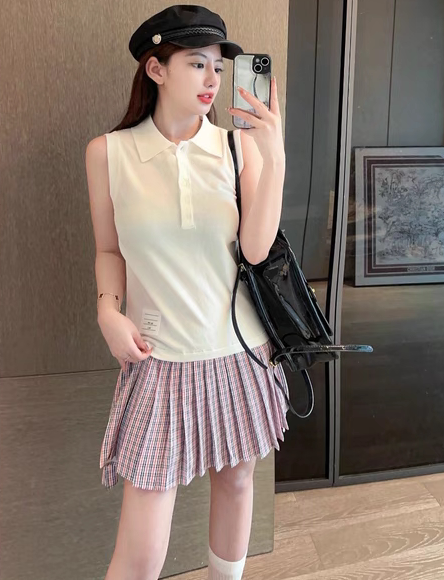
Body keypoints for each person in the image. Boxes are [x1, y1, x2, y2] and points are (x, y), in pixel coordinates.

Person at [84, 5, 290, 580]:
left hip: (238, 351)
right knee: (143, 547)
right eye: (196, 64)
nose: (212, 80)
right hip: (159, 360)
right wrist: (108, 312)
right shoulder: (108, 154)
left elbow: (256, 249)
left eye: (218, 68)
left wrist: (272, 155)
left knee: (238, 481)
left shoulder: (236, 148)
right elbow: (109, 251)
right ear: (156, 69)